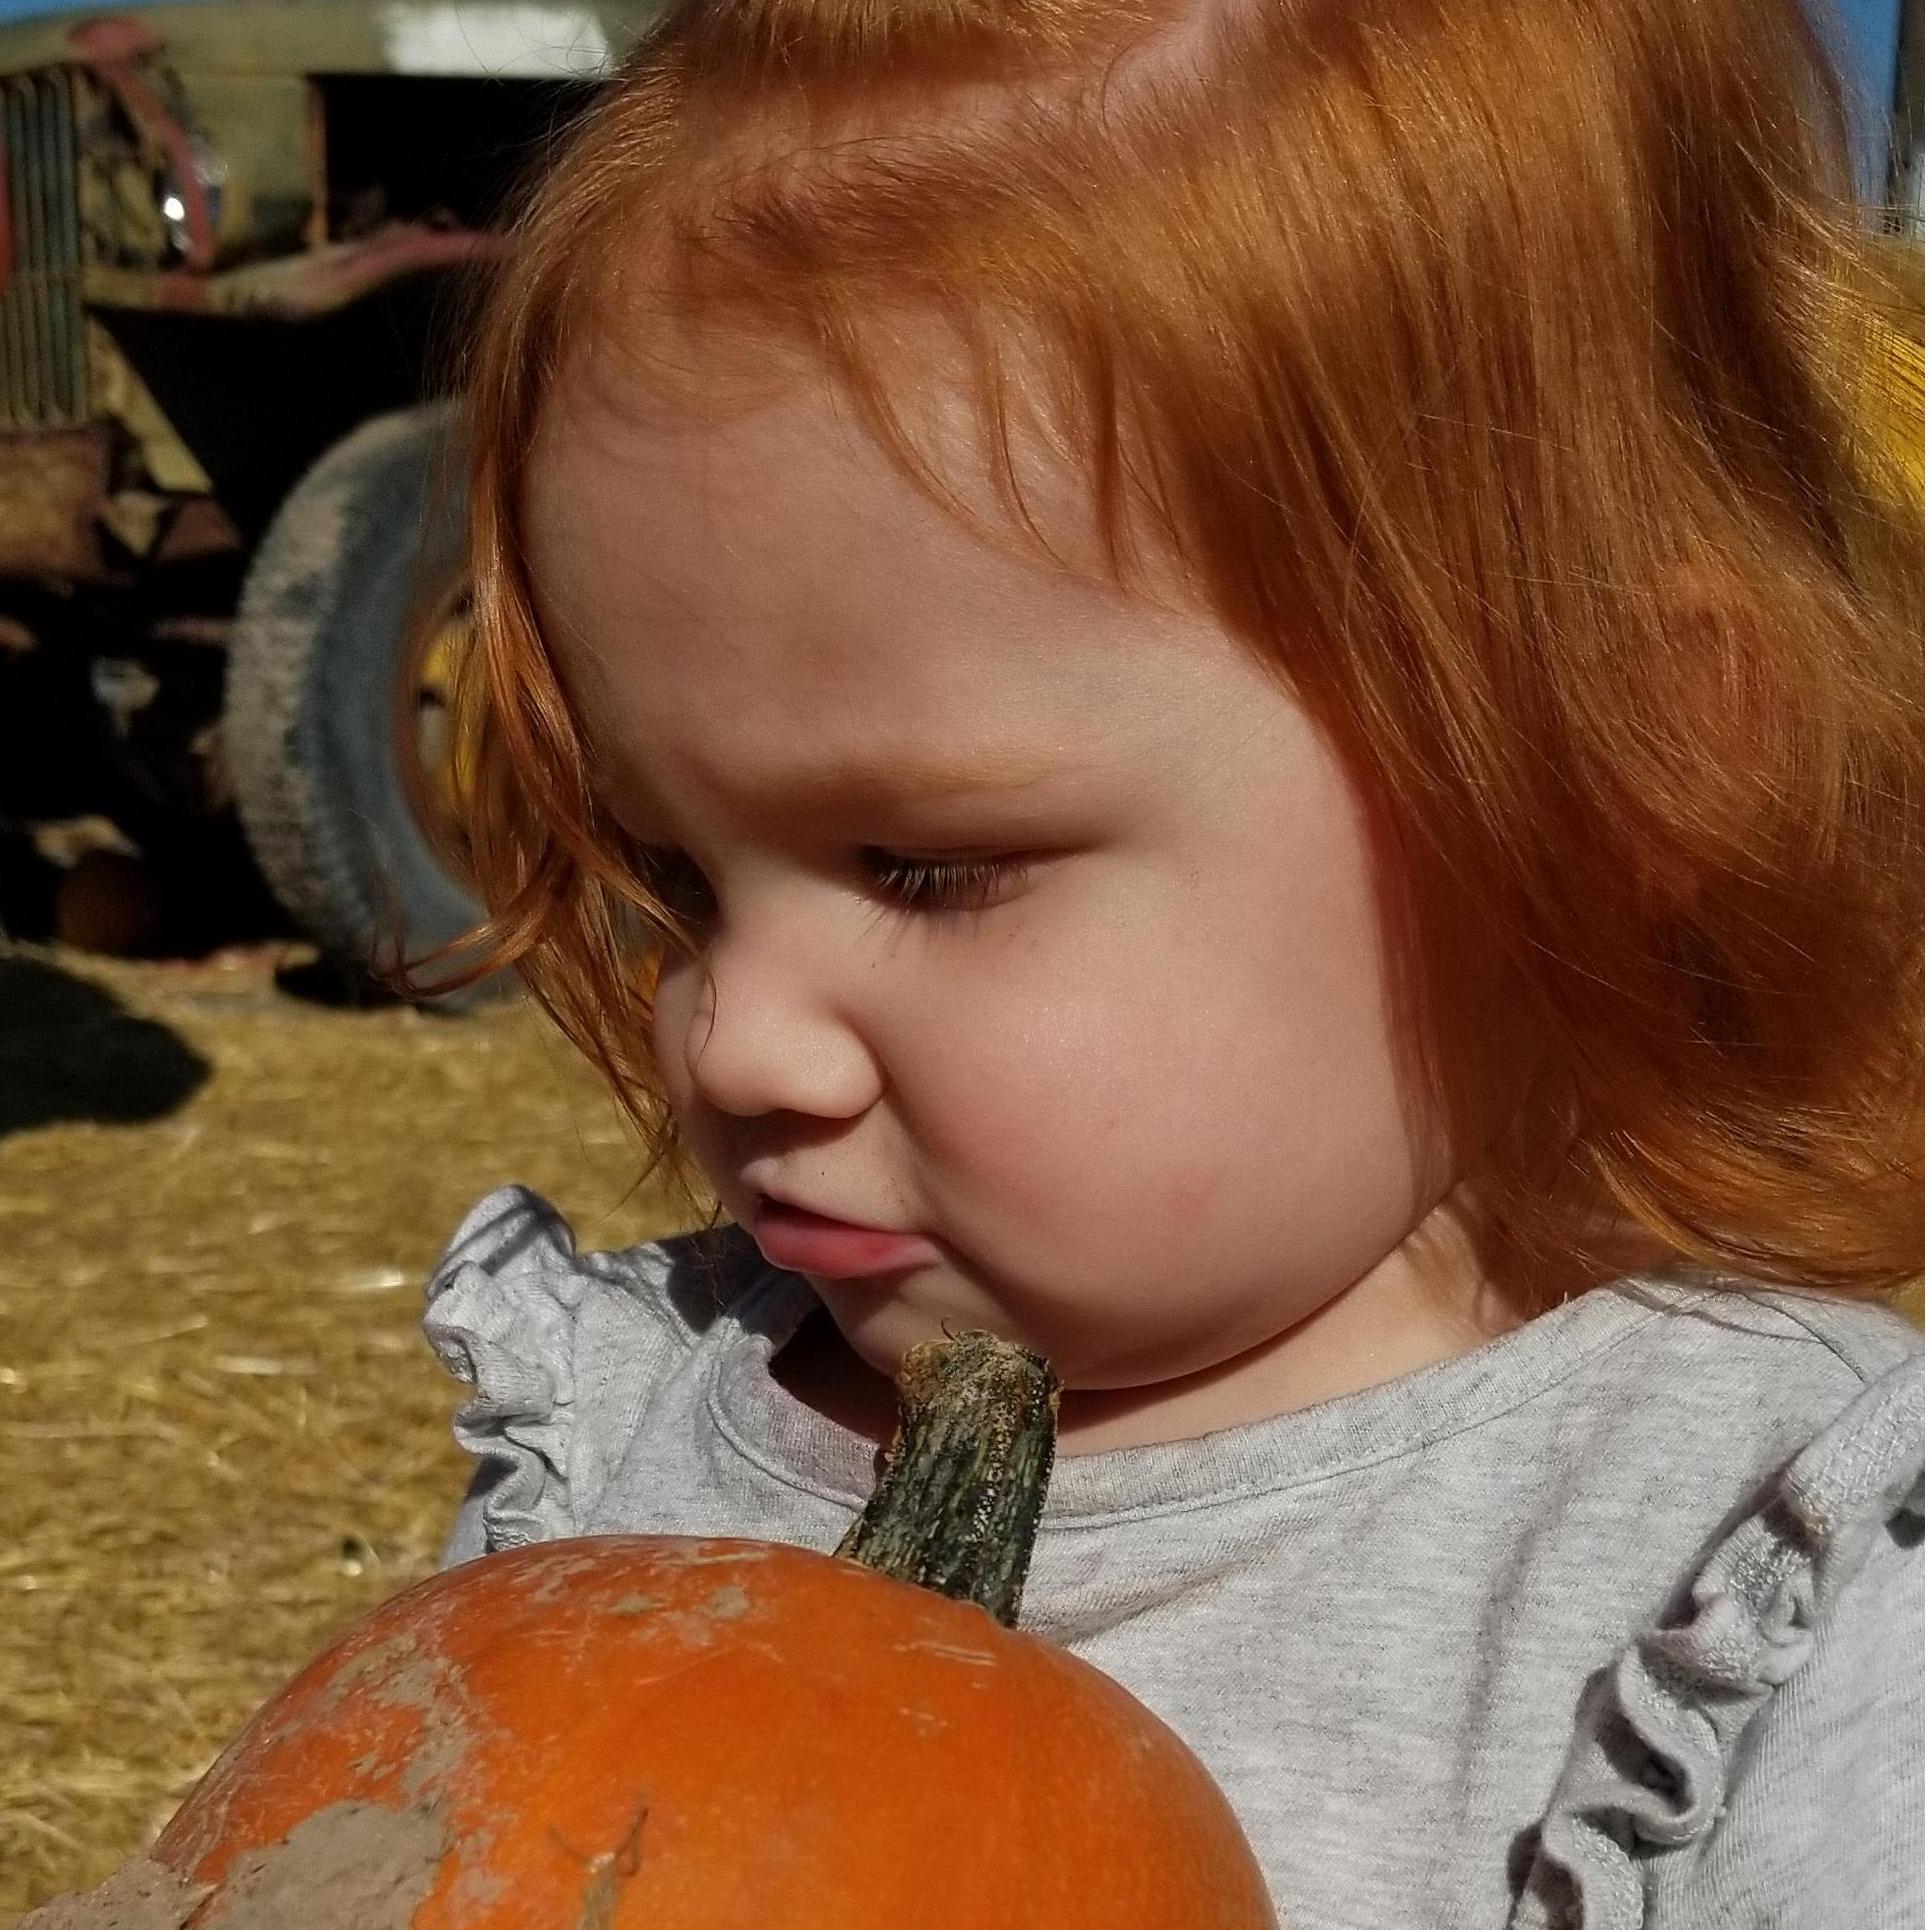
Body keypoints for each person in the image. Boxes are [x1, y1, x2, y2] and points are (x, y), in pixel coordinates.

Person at [415, 0, 1924, 1921]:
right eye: (672, 873)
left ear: (1625, 761)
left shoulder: (1747, 1578)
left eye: (932, 866)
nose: (743, 1040)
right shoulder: (616, 1438)